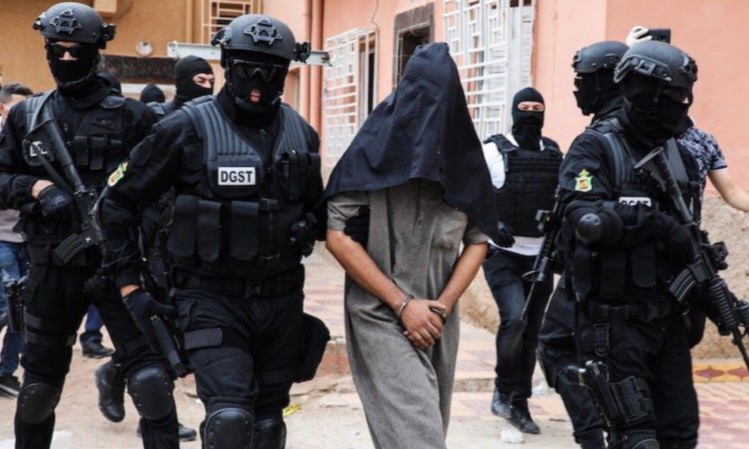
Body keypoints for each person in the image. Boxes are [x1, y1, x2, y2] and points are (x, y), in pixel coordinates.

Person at [98, 14, 325, 449]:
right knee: (230, 421)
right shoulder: (184, 128)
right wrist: (130, 284)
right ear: (227, 65)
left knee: (268, 426)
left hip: (282, 302)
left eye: (271, 71)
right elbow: (116, 203)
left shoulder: (301, 133)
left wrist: (315, 223)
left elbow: (318, 208)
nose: (258, 82)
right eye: (247, 69)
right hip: (211, 298)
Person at [0, 3, 180, 448]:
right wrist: (36, 188)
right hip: (51, 266)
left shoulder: (134, 117)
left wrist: (140, 246)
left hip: (119, 266)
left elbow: (163, 195)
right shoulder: (28, 115)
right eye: (56, 50)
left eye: (75, 50)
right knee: (39, 390)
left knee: (153, 384)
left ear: (96, 50)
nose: (65, 59)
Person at [324, 43, 498, 449]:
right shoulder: (371, 153)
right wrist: (402, 304)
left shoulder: (466, 164)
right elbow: (336, 234)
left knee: (422, 429)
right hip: (378, 312)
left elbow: (478, 240)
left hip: (437, 318)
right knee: (420, 436)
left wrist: (441, 307)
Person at [558, 40, 700, 449]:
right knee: (635, 440)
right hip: (615, 326)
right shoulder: (597, 147)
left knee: (680, 436)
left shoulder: (681, 158)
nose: (682, 105)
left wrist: (717, 299)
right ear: (645, 92)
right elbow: (584, 217)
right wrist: (655, 223)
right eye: (675, 95)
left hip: (668, 324)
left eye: (685, 96)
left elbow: (690, 244)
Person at [536, 40, 627, 449]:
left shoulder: (600, 138)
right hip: (633, 270)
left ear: (607, 81)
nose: (577, 89)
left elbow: (583, 211)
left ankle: (594, 436)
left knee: (556, 345)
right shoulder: (656, 130)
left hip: (593, 272)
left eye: (584, 80)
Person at [481, 87, 561, 434]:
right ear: (514, 112)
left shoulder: (555, 153)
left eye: (536, 108)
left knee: (531, 332)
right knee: (514, 319)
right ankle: (502, 390)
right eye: (524, 107)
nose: (530, 113)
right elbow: (472, 193)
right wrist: (490, 224)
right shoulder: (493, 151)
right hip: (502, 254)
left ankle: (520, 403)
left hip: (540, 256)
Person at [0, 83, 33, 398]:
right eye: (18, 107)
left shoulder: (35, 142)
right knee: (4, 306)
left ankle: (5, 372)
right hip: (1, 240)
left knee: (21, 308)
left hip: (28, 239)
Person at [149, 55, 214, 118]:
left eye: (211, 81)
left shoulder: (212, 117)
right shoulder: (156, 115)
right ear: (183, 82)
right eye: (201, 81)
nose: (208, 86)